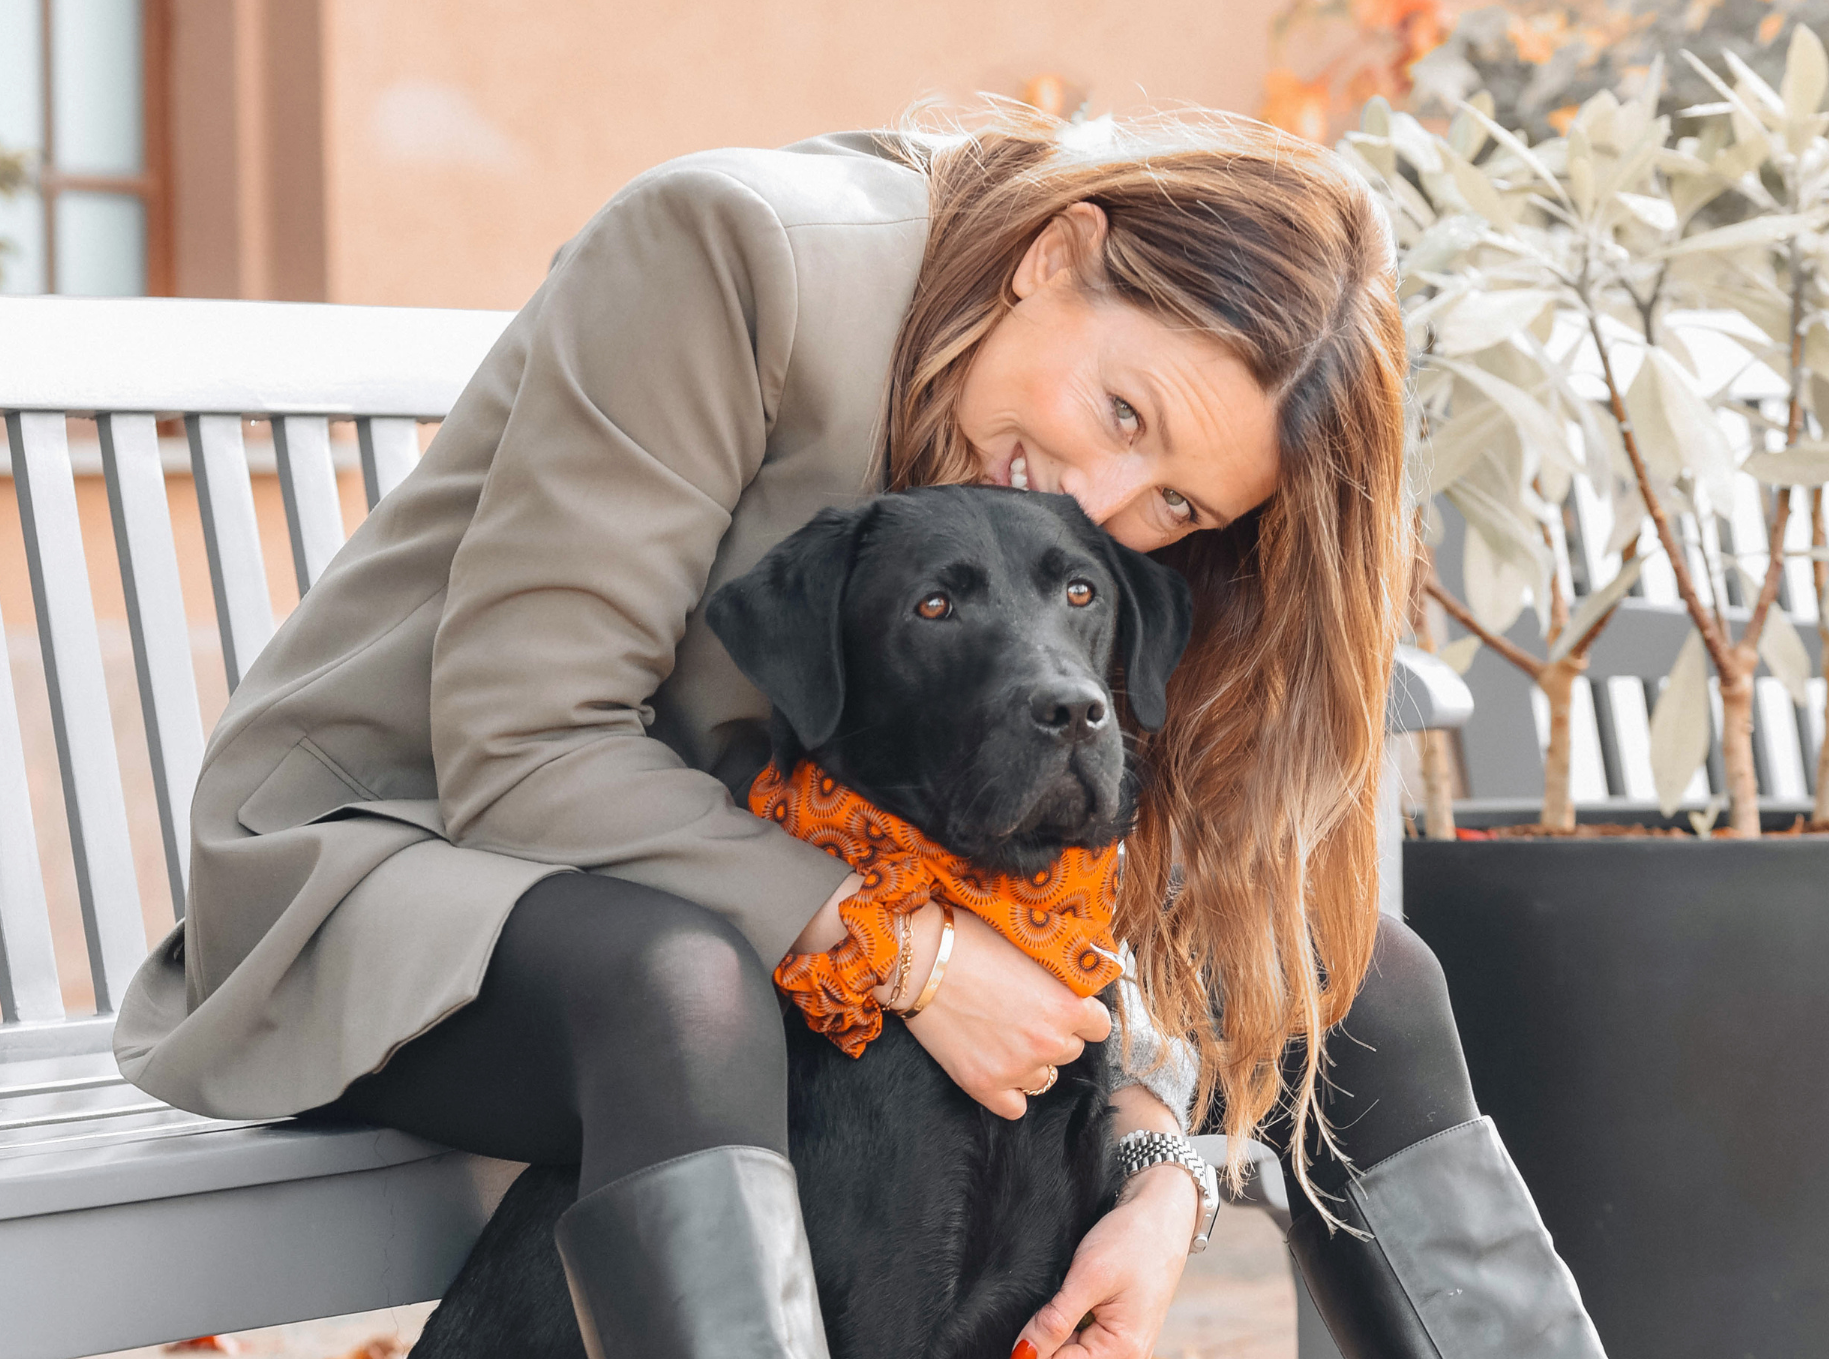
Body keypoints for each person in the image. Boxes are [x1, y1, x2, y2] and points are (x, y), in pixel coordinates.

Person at [112, 106, 1605, 1359]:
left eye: (1174, 504)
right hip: (423, 864)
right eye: (1124, 414)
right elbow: (524, 744)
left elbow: (1158, 884)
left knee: (1356, 971)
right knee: (685, 988)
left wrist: (1157, 1161)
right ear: (1058, 254)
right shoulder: (732, 253)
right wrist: (909, 955)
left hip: (769, 872)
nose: (1097, 503)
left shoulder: (1054, 471)